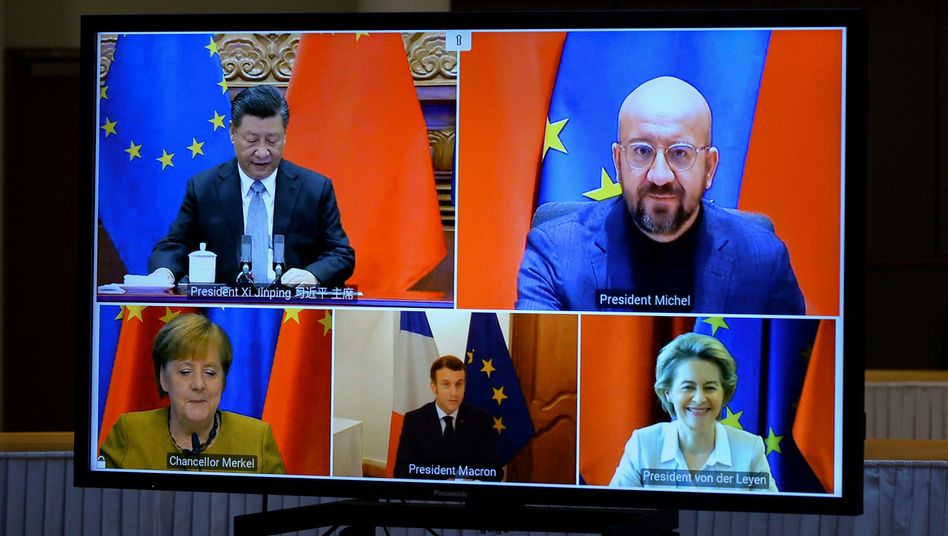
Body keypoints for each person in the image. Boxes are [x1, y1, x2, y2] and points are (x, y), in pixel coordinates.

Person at [516, 76, 804, 314]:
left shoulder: (764, 261)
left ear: (709, 167)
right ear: (618, 162)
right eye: (641, 151)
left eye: (681, 153)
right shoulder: (555, 251)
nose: (660, 176)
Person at [148, 84, 355, 287]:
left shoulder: (314, 189)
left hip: (291, 312)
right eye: (251, 140)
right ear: (232, 133)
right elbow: (175, 245)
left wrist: (312, 275)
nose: (262, 152)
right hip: (225, 313)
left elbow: (340, 253)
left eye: (272, 140)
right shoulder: (204, 187)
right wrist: (164, 273)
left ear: (285, 134)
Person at [100, 314, 286, 473]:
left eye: (210, 373)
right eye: (185, 372)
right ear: (164, 378)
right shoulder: (129, 433)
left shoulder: (256, 438)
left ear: (223, 381)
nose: (198, 384)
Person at [609, 332, 777, 491]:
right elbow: (618, 513)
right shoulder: (642, 444)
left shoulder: (750, 448)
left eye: (710, 388)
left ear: (724, 392)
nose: (699, 399)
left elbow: (770, 518)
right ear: (668, 392)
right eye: (688, 387)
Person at [394, 355, 502, 481]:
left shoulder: (480, 419)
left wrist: (470, 483)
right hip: (429, 497)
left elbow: (494, 472)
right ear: (434, 387)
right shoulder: (414, 420)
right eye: (446, 384)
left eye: (459, 384)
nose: (454, 393)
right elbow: (402, 473)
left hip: (468, 496)